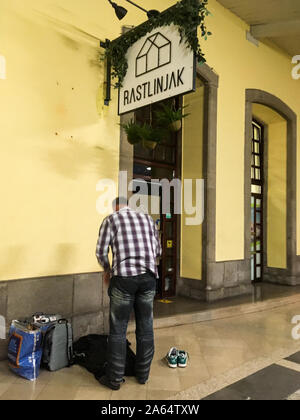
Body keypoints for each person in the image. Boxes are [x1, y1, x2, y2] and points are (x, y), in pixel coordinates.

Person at [96, 197, 162, 390]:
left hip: (123, 279)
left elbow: (100, 252)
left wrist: (108, 270)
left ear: (115, 208)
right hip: (148, 278)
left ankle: (114, 380)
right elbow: (157, 249)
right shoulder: (148, 219)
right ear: (129, 207)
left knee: (118, 330)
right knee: (146, 327)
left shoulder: (111, 219)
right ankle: (143, 375)